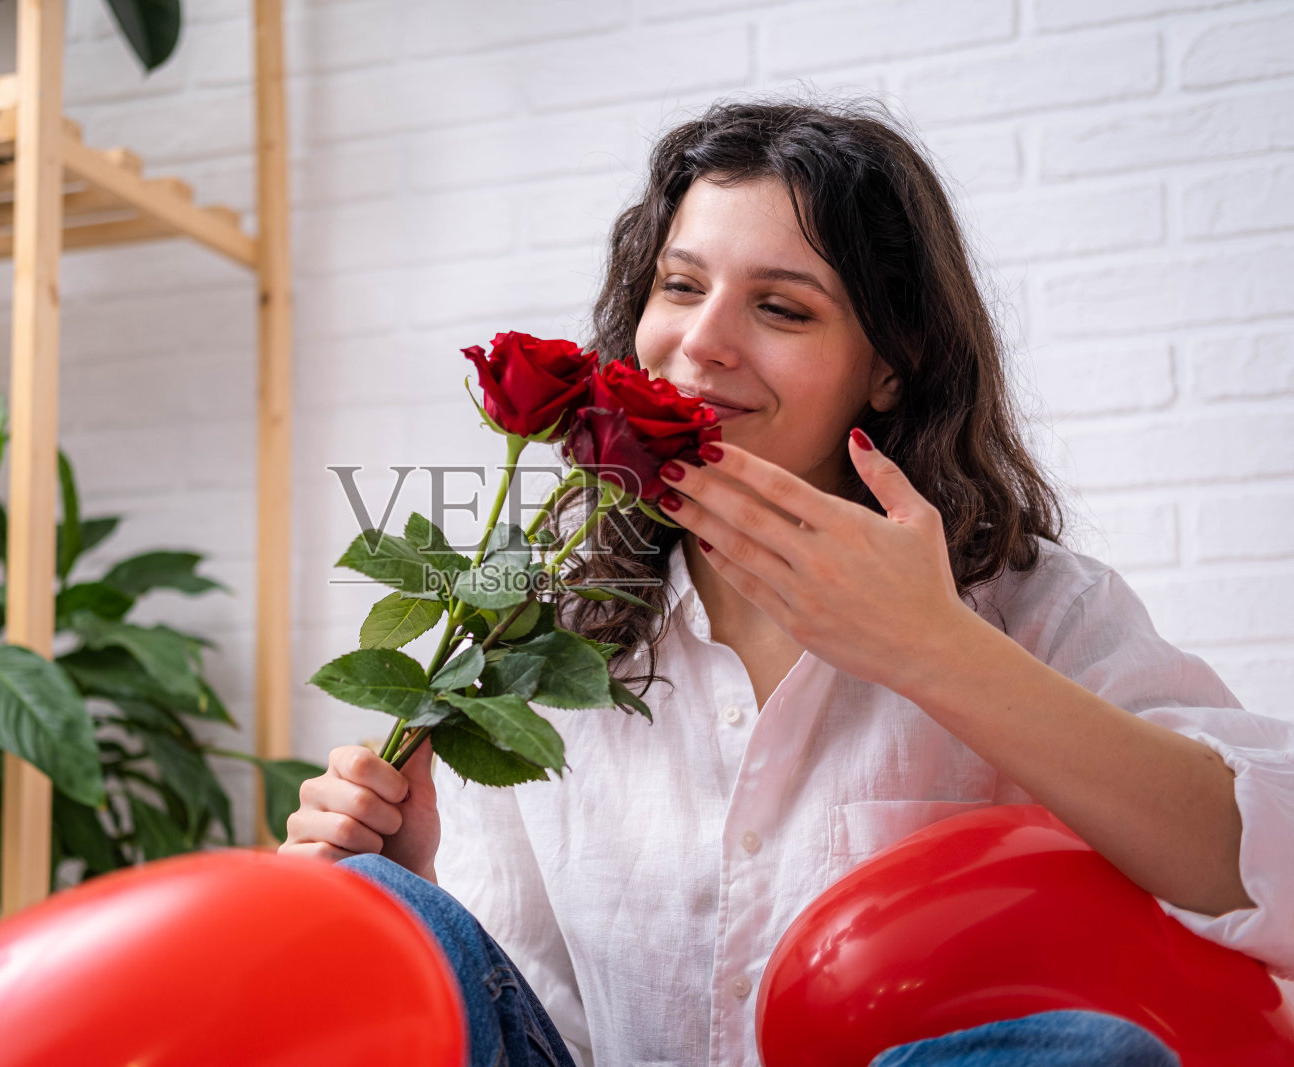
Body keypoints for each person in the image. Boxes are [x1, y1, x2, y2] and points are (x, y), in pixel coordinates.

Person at [281, 96, 1294, 1067]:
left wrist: (933, 649)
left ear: (890, 365)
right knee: (375, 898)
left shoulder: (1035, 607)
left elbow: (1270, 874)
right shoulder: (537, 637)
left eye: (779, 307)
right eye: (679, 287)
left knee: (1095, 1052)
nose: (700, 344)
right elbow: (537, 1014)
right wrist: (416, 885)